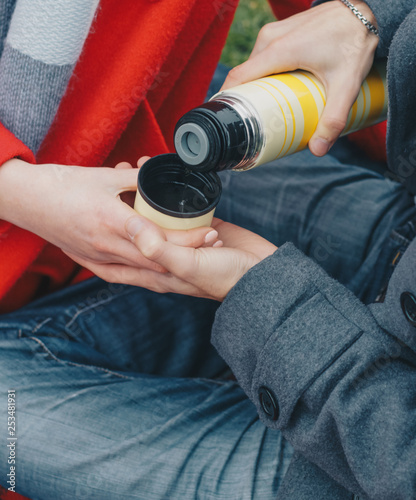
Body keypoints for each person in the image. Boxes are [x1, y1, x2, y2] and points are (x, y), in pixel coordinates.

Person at [1, 2, 416, 500]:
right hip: (401, 250)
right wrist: (370, 16)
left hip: (353, 459)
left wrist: (270, 300)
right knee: (210, 114)